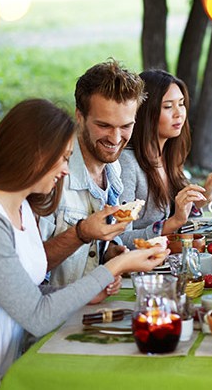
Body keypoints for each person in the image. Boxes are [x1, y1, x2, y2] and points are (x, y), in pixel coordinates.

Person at [0, 99, 167, 389]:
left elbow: (24, 291)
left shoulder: (22, 210)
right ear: (32, 155)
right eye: (63, 158)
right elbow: (36, 316)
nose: (66, 170)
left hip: (5, 372)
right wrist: (117, 266)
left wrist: (83, 293)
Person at [40, 59, 146, 289]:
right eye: (104, 126)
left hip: (89, 307)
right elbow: (28, 268)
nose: (116, 139)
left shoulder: (113, 168)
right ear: (80, 116)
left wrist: (108, 253)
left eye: (126, 126)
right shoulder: (52, 176)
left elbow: (95, 248)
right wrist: (81, 234)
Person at [118, 69, 212, 246]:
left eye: (181, 103)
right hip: (141, 270)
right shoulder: (127, 164)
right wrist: (173, 223)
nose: (179, 113)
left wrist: (202, 200)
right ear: (146, 112)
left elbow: (175, 217)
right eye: (168, 106)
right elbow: (119, 241)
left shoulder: (170, 156)